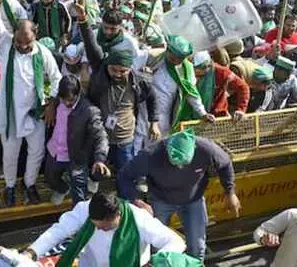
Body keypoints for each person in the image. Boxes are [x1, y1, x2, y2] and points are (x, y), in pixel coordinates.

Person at [0, 0, 62, 207]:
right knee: (10, 154)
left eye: (26, 43)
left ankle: (29, 184)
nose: (21, 46)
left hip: (35, 113)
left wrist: (52, 104)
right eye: (19, 42)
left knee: (36, 152)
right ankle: (10, 186)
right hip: (9, 114)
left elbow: (57, 78)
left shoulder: (43, 53)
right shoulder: (6, 43)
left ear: (35, 36)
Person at [75, 1, 159, 190]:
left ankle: (127, 202)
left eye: (123, 71)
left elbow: (152, 96)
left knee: (126, 174)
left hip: (125, 138)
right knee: (97, 164)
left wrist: (154, 121)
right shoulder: (99, 79)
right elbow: (92, 49)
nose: (118, 74)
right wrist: (83, 21)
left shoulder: (139, 80)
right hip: (102, 134)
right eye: (114, 70)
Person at [118, 129, 240, 260]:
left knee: (197, 247)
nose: (180, 167)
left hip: (193, 200)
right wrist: (137, 201)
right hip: (161, 200)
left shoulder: (206, 148)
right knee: (158, 247)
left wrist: (230, 192)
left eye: (184, 164)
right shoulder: (150, 155)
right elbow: (124, 176)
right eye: (175, 163)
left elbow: (225, 164)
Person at [23, 191, 186, 267]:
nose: (99, 230)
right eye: (95, 226)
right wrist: (32, 252)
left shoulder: (140, 220)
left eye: (104, 227)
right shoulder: (84, 209)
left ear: (117, 216)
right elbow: (58, 231)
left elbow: (177, 242)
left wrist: (154, 262)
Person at [45, 75, 110, 205]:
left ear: (78, 93)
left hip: (76, 157)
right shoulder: (58, 102)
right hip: (55, 151)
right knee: (50, 178)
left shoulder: (89, 111)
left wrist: (100, 158)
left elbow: (101, 136)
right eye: (64, 99)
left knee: (79, 194)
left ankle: (79, 219)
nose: (67, 103)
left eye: (70, 100)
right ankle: (63, 189)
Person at [152, 35, 214, 136]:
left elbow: (192, 94)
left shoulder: (186, 71)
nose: (175, 60)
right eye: (172, 56)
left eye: (179, 58)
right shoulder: (155, 59)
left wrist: (203, 113)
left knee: (158, 141)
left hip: (164, 114)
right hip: (144, 107)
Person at [192, 51, 249, 120]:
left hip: (217, 116)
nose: (198, 76)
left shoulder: (222, 73)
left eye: (200, 74)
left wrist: (241, 109)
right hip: (191, 115)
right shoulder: (188, 71)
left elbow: (242, 87)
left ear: (209, 66)